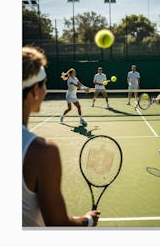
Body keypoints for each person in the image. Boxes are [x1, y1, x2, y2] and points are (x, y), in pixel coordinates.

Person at [22, 46, 100, 226]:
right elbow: (58, 225)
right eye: (44, 84)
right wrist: (88, 220)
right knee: (74, 107)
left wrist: (85, 88)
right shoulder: (42, 152)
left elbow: (78, 84)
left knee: (76, 108)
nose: (45, 90)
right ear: (35, 90)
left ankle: (76, 118)